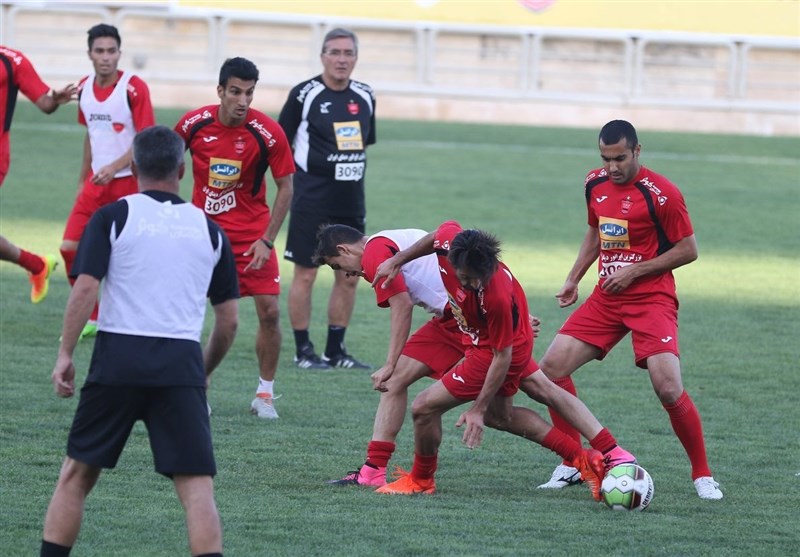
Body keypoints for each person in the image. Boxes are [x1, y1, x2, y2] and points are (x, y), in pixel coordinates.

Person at [39, 125, 239, 557]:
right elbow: (228, 322)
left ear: (133, 168)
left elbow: (85, 289)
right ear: (182, 170)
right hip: (180, 364)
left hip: (118, 358)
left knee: (75, 476)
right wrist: (201, 372)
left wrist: (65, 354)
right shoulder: (210, 230)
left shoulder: (112, 217)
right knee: (197, 488)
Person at [369, 221, 634, 498]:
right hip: (495, 340)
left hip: (494, 350)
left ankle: (421, 480)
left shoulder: (494, 295)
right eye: (465, 277)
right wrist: (397, 260)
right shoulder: (450, 243)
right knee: (513, 408)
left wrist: (478, 408)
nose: (471, 284)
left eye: (476, 279)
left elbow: (501, 356)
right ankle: (597, 455)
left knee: (424, 407)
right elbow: (437, 235)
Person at [536, 119, 723, 500]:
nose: (612, 167)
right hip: (607, 297)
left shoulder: (663, 194)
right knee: (550, 370)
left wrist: (635, 271)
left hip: (652, 297)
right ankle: (574, 462)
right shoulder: (594, 183)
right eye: (605, 159)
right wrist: (573, 278)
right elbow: (596, 232)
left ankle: (703, 475)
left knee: (667, 387)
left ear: (637, 151)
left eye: (620, 158)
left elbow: (689, 250)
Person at [175, 57, 295, 420]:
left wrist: (268, 240)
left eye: (249, 93)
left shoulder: (267, 132)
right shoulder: (193, 124)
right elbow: (164, 166)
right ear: (220, 91)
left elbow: (286, 187)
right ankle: (198, 386)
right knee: (192, 314)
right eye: (236, 92)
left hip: (253, 239)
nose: (243, 101)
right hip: (204, 237)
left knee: (270, 312)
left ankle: (265, 394)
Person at [312, 224, 463, 486]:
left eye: (337, 266)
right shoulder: (384, 243)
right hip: (454, 319)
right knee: (393, 382)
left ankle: (558, 455)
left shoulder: (373, 253)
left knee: (502, 411)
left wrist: (390, 363)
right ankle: (373, 470)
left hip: (468, 318)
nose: (347, 274)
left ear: (343, 249)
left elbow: (402, 306)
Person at [279, 27, 376, 370]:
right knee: (305, 275)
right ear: (322, 56)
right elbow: (282, 142)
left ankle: (335, 351)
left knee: (350, 276)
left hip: (351, 203)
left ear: (356, 58)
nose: (341, 59)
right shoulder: (304, 94)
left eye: (348, 53)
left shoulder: (365, 95)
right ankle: (303, 350)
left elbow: (363, 145)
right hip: (311, 201)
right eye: (334, 52)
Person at [59, 23, 156, 340]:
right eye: (99, 51)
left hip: (128, 185)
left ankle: (132, 320)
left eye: (111, 51)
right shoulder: (84, 88)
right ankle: (95, 315)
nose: (105, 57)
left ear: (119, 53)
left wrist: (114, 167)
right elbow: (91, 136)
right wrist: (82, 181)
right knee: (69, 248)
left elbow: (144, 140)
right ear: (89, 54)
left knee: (130, 260)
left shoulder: (134, 88)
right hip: (95, 185)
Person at [0, 45, 76, 303]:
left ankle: (36, 265)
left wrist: (55, 98)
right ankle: (37, 265)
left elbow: (45, 103)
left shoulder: (12, 60)